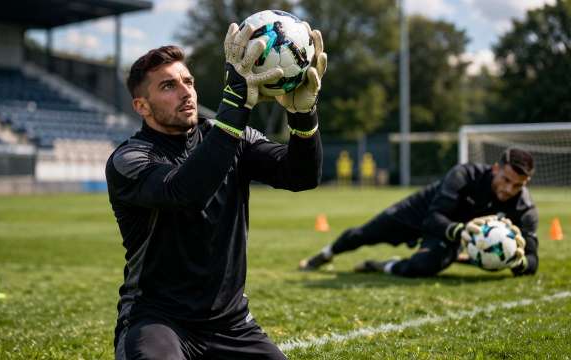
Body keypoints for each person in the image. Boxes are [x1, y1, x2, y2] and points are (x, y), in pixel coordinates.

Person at [106, 21, 327, 360]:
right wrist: (235, 106)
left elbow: (300, 176)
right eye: (168, 86)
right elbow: (185, 191)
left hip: (233, 325)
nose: (185, 92)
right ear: (142, 106)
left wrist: (303, 117)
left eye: (188, 81)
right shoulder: (129, 159)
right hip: (159, 322)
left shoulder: (228, 136)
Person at [299, 148, 538, 277]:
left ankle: (383, 266)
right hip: (422, 212)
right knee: (363, 234)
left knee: (423, 267)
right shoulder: (464, 175)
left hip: (450, 236)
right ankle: (324, 254)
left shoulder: (524, 209)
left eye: (518, 185)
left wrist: (519, 262)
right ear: (495, 168)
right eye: (505, 179)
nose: (509, 189)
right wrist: (461, 230)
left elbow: (533, 259)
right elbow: (433, 218)